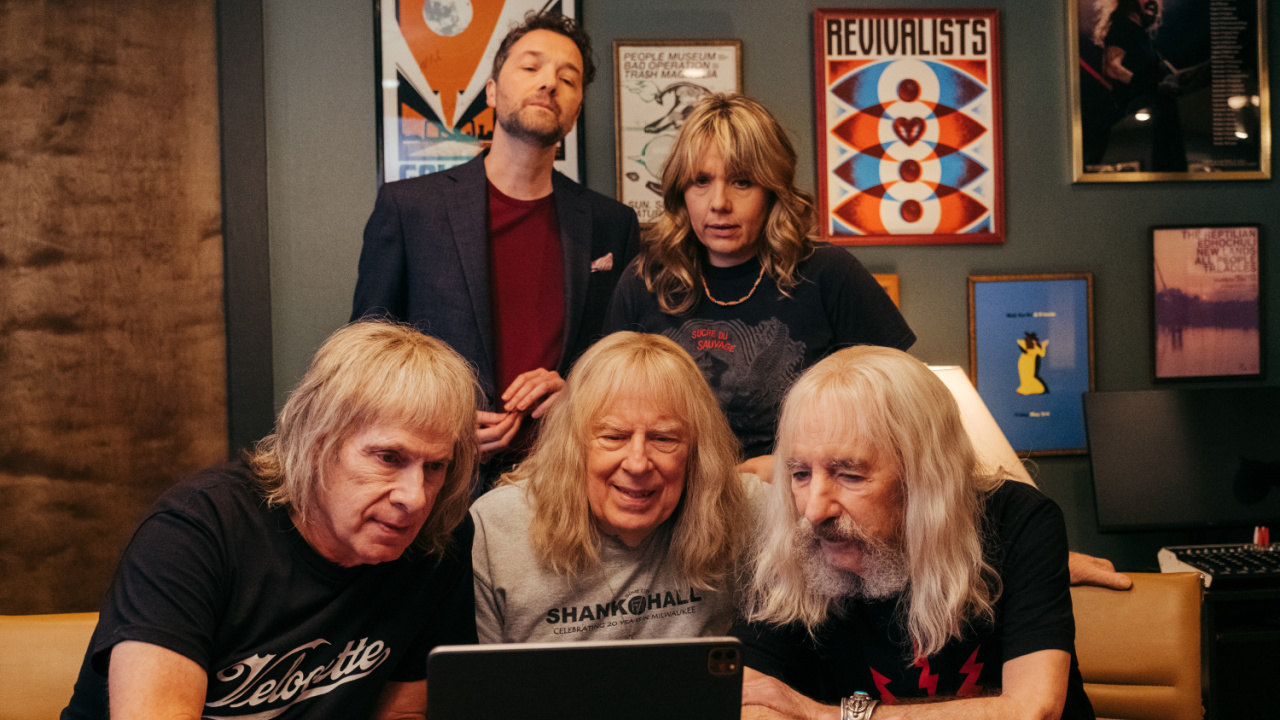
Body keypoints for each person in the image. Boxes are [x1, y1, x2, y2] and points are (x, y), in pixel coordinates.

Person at [62, 321, 480, 720]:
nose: (415, 497)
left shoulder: (438, 537)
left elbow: (403, 712)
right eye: (389, 458)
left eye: (434, 466)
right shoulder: (194, 531)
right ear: (317, 446)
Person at [351, 11, 640, 483]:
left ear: (576, 110)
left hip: (566, 479)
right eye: (531, 67)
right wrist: (437, 421)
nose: (549, 83)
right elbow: (365, 357)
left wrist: (576, 394)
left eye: (567, 78)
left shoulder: (613, 224)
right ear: (491, 91)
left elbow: (625, 362)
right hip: (437, 480)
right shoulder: (410, 208)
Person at [734, 346, 1095, 720]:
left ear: (928, 476)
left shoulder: (1019, 519)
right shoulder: (797, 544)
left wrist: (834, 716)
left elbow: (1032, 708)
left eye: (849, 475)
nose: (814, 510)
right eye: (800, 474)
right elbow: (747, 699)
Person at [604, 93, 915, 477]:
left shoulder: (829, 273)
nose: (719, 202)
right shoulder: (645, 280)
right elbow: (606, 414)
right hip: (670, 495)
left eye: (742, 182)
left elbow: (902, 410)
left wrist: (792, 465)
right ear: (680, 192)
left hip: (800, 495)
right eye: (701, 181)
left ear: (772, 190)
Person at [469, 331, 766, 643]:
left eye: (663, 438)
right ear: (573, 447)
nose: (637, 464)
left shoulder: (743, 509)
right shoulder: (495, 529)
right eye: (614, 437)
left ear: (696, 452)